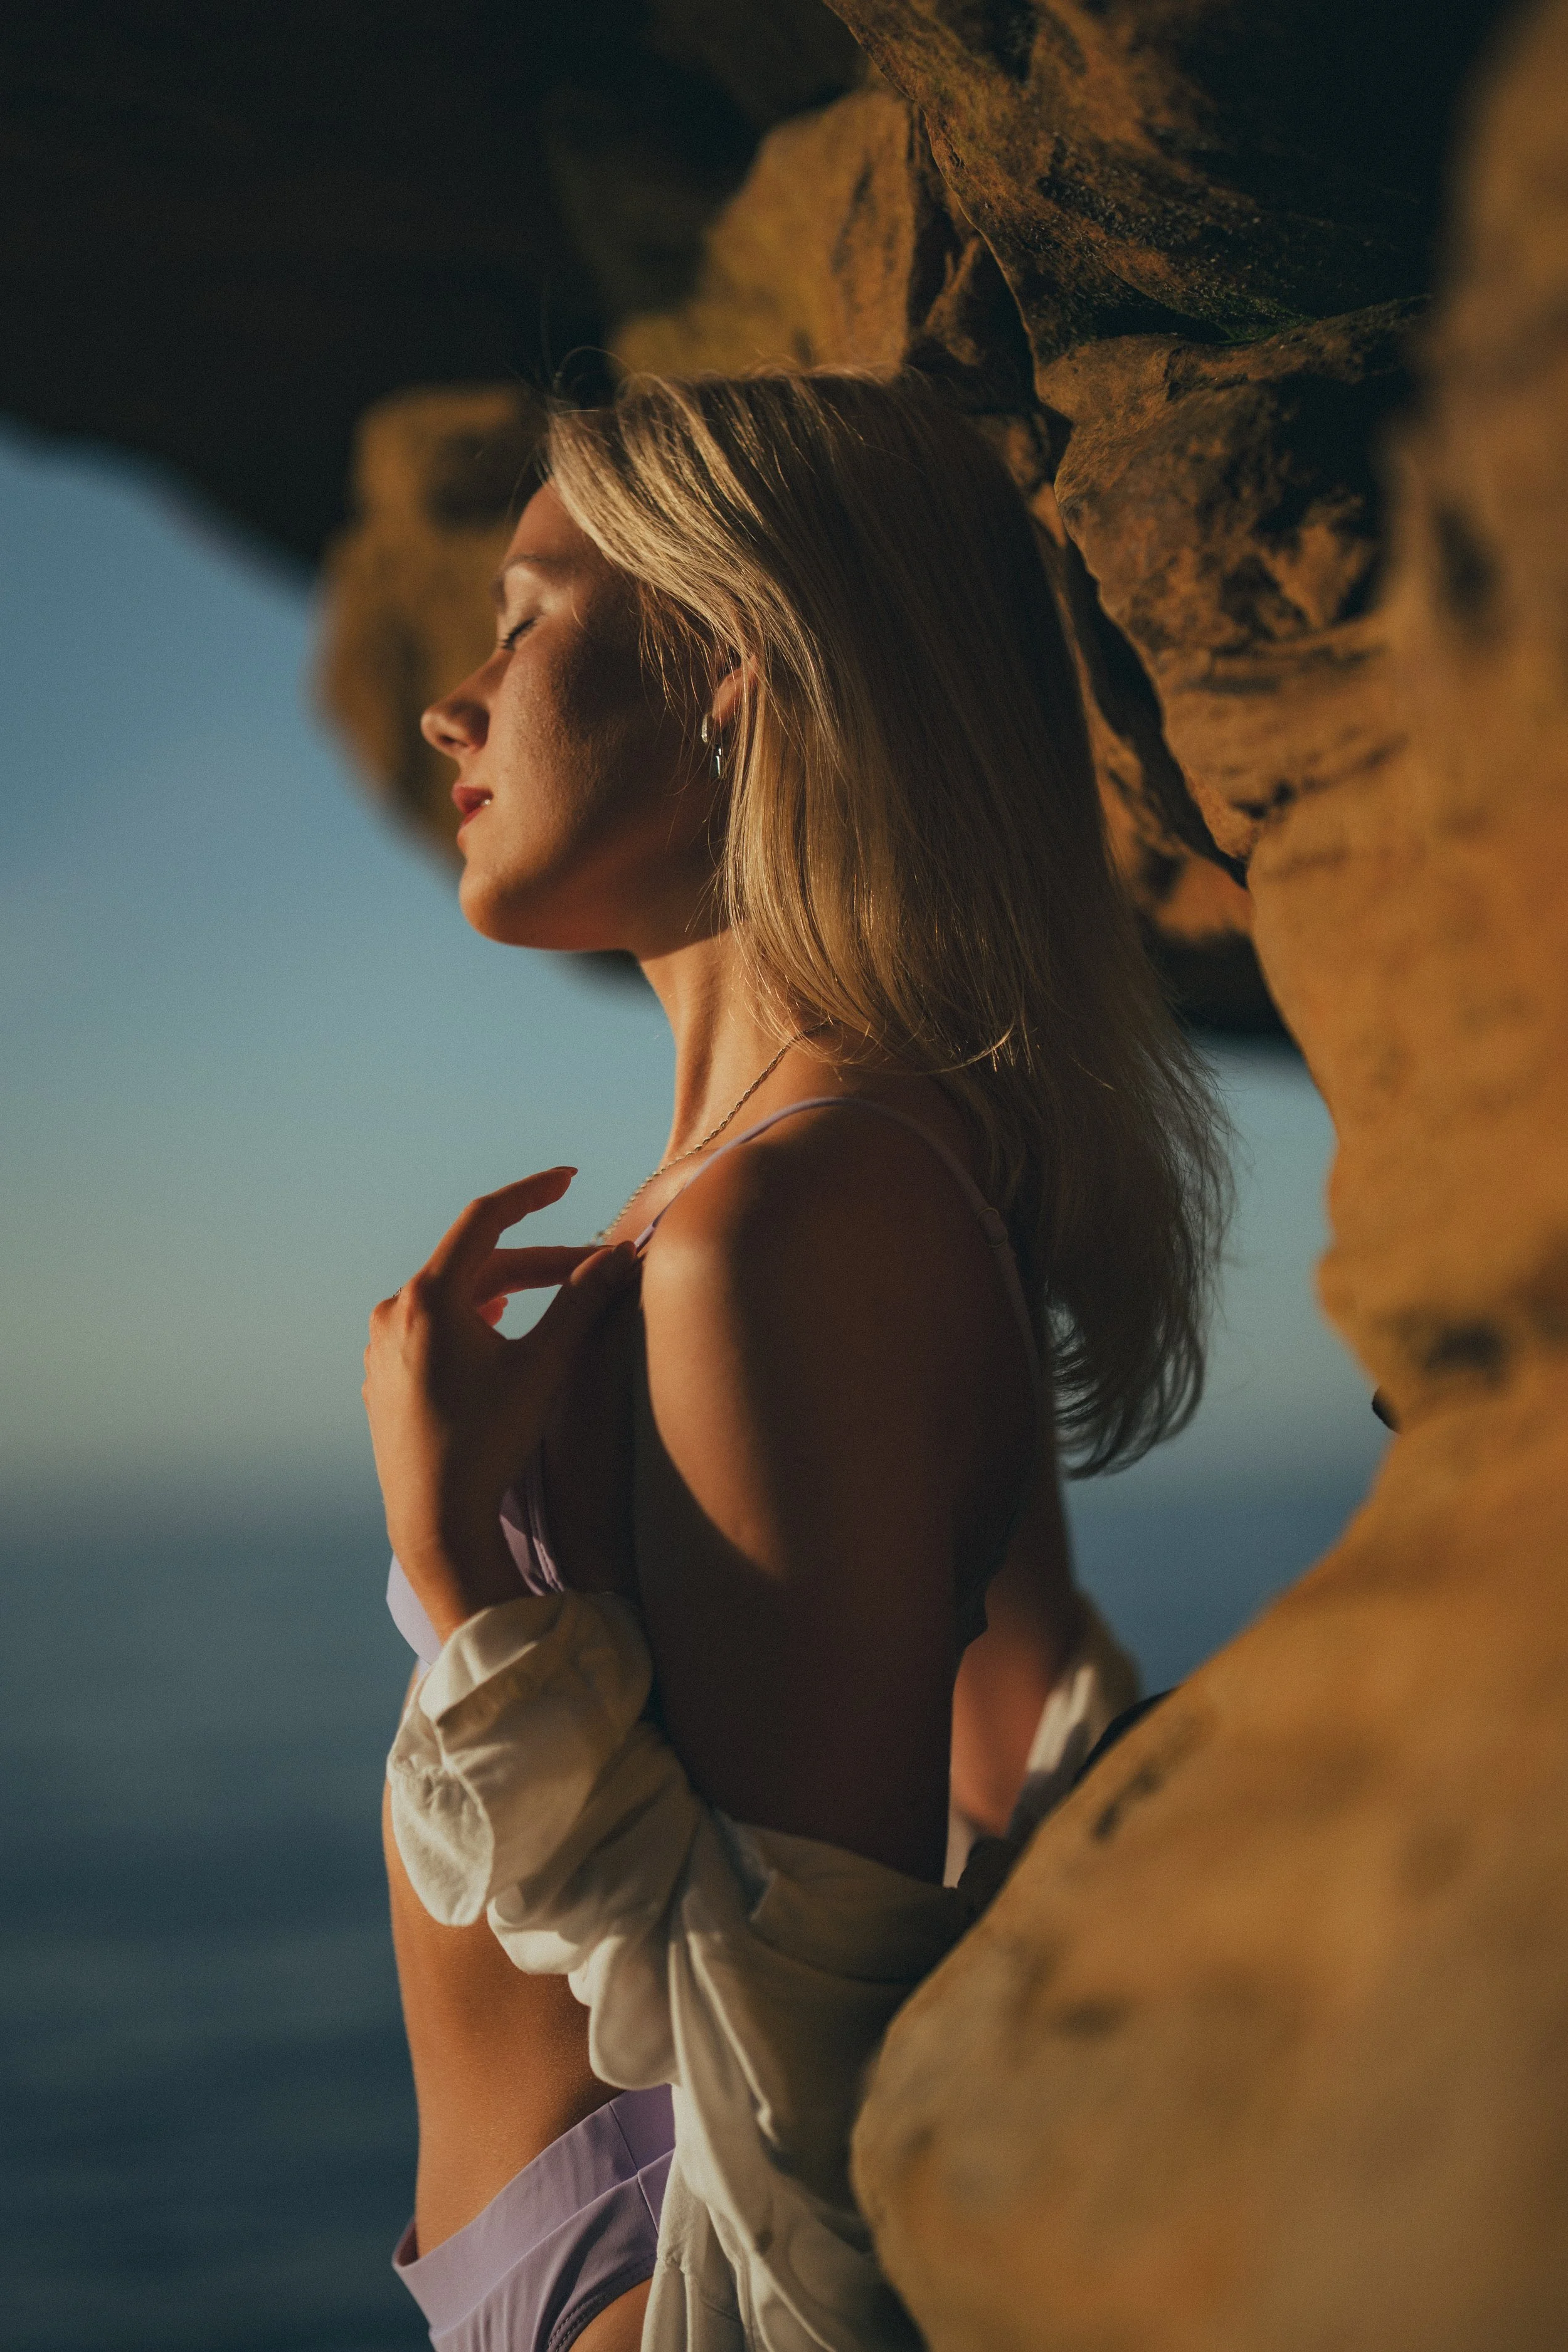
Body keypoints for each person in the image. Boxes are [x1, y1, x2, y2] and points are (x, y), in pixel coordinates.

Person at [363, 369, 1228, 2352]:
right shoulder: (794, 1184)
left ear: (728, 653)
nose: (451, 700)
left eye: (524, 615)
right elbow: (1009, 1747)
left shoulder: (791, 1225)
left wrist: (460, 1563)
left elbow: (781, 2031)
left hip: (640, 2290)